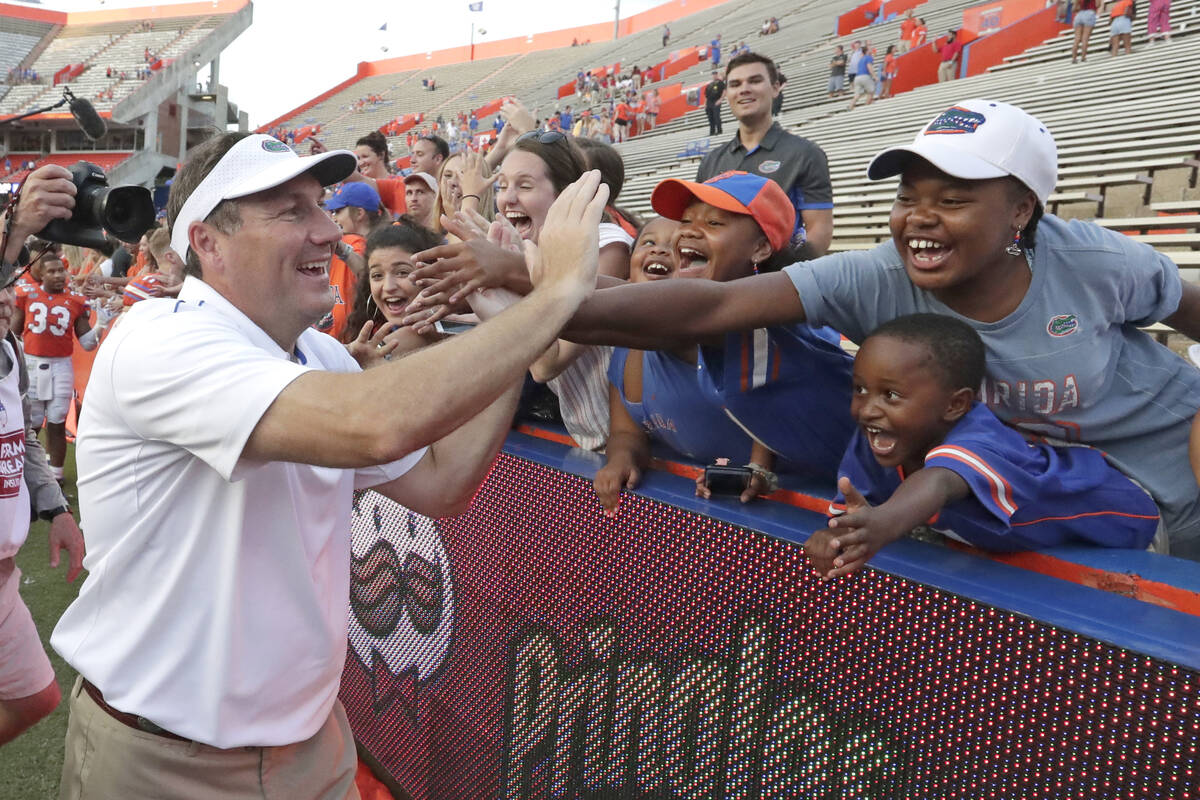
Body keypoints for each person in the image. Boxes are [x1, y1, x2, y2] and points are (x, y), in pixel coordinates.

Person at [47, 134, 608, 799]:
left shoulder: (317, 352)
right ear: (207, 241)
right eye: (290, 212)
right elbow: (374, 425)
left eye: (320, 205)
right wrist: (556, 294)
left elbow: (443, 482)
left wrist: (513, 324)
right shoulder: (159, 339)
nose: (326, 232)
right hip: (167, 762)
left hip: (311, 745)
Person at [562, 99, 1200, 561]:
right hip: (1074, 507)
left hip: (1182, 475)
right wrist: (547, 297)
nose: (920, 219)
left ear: (1021, 209)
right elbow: (708, 309)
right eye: (907, 196)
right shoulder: (873, 276)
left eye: (952, 200)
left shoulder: (1097, 262)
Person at [806, 314, 1161, 579]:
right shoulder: (877, 436)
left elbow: (940, 481)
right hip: (1026, 538)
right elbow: (852, 516)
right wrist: (832, 537)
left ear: (955, 405)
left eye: (891, 395)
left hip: (1128, 521)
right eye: (859, 389)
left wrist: (884, 522)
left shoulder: (977, 437)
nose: (867, 408)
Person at [0, 170, 87, 749]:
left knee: (37, 699)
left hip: (4, 570)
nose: (10, 291)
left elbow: (20, 434)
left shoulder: (8, 347)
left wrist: (54, 506)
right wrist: (16, 233)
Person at [698, 52, 834, 255]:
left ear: (775, 87)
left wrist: (786, 274)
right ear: (726, 94)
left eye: (755, 81)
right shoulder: (711, 160)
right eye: (735, 84)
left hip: (774, 280)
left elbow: (819, 230)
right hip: (716, 280)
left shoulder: (805, 154)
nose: (744, 89)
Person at [14, 248, 112, 480]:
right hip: (32, 363)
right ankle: (25, 471)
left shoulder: (76, 301)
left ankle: (55, 476)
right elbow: (14, 334)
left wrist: (101, 326)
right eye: (52, 271)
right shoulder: (26, 294)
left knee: (57, 420)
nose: (59, 275)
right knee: (33, 422)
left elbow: (87, 344)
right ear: (41, 274)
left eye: (61, 270)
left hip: (61, 365)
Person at [343, 223, 446, 366]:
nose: (388, 287)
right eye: (377, 275)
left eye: (402, 272)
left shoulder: (449, 324)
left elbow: (416, 334)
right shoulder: (374, 327)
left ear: (432, 272)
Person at [849, 43, 876, 108]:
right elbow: (869, 67)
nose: (871, 50)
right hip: (865, 76)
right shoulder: (868, 57)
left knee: (857, 94)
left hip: (857, 77)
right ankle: (867, 106)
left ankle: (850, 106)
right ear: (867, 51)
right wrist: (875, 76)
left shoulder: (861, 59)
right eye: (870, 49)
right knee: (871, 91)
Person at [704, 69, 725, 137]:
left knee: (716, 116)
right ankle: (712, 132)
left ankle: (719, 130)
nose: (714, 76)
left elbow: (724, 91)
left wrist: (721, 99)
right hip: (709, 102)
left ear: (717, 75)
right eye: (713, 74)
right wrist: (705, 104)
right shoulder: (710, 84)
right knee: (710, 118)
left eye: (715, 74)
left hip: (716, 101)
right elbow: (706, 95)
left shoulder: (720, 83)